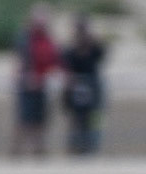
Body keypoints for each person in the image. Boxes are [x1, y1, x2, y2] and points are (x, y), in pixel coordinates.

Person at [11, 6, 58, 158]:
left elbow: (53, 59)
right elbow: (20, 60)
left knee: (40, 120)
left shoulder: (47, 39)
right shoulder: (25, 38)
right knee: (24, 120)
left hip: (42, 84)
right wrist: (25, 78)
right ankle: (17, 152)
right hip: (27, 84)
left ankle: (39, 151)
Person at [60, 15, 106, 156]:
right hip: (77, 85)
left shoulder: (93, 47)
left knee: (93, 117)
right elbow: (67, 64)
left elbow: (101, 55)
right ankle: (76, 146)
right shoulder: (70, 50)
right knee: (77, 117)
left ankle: (92, 146)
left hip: (92, 85)